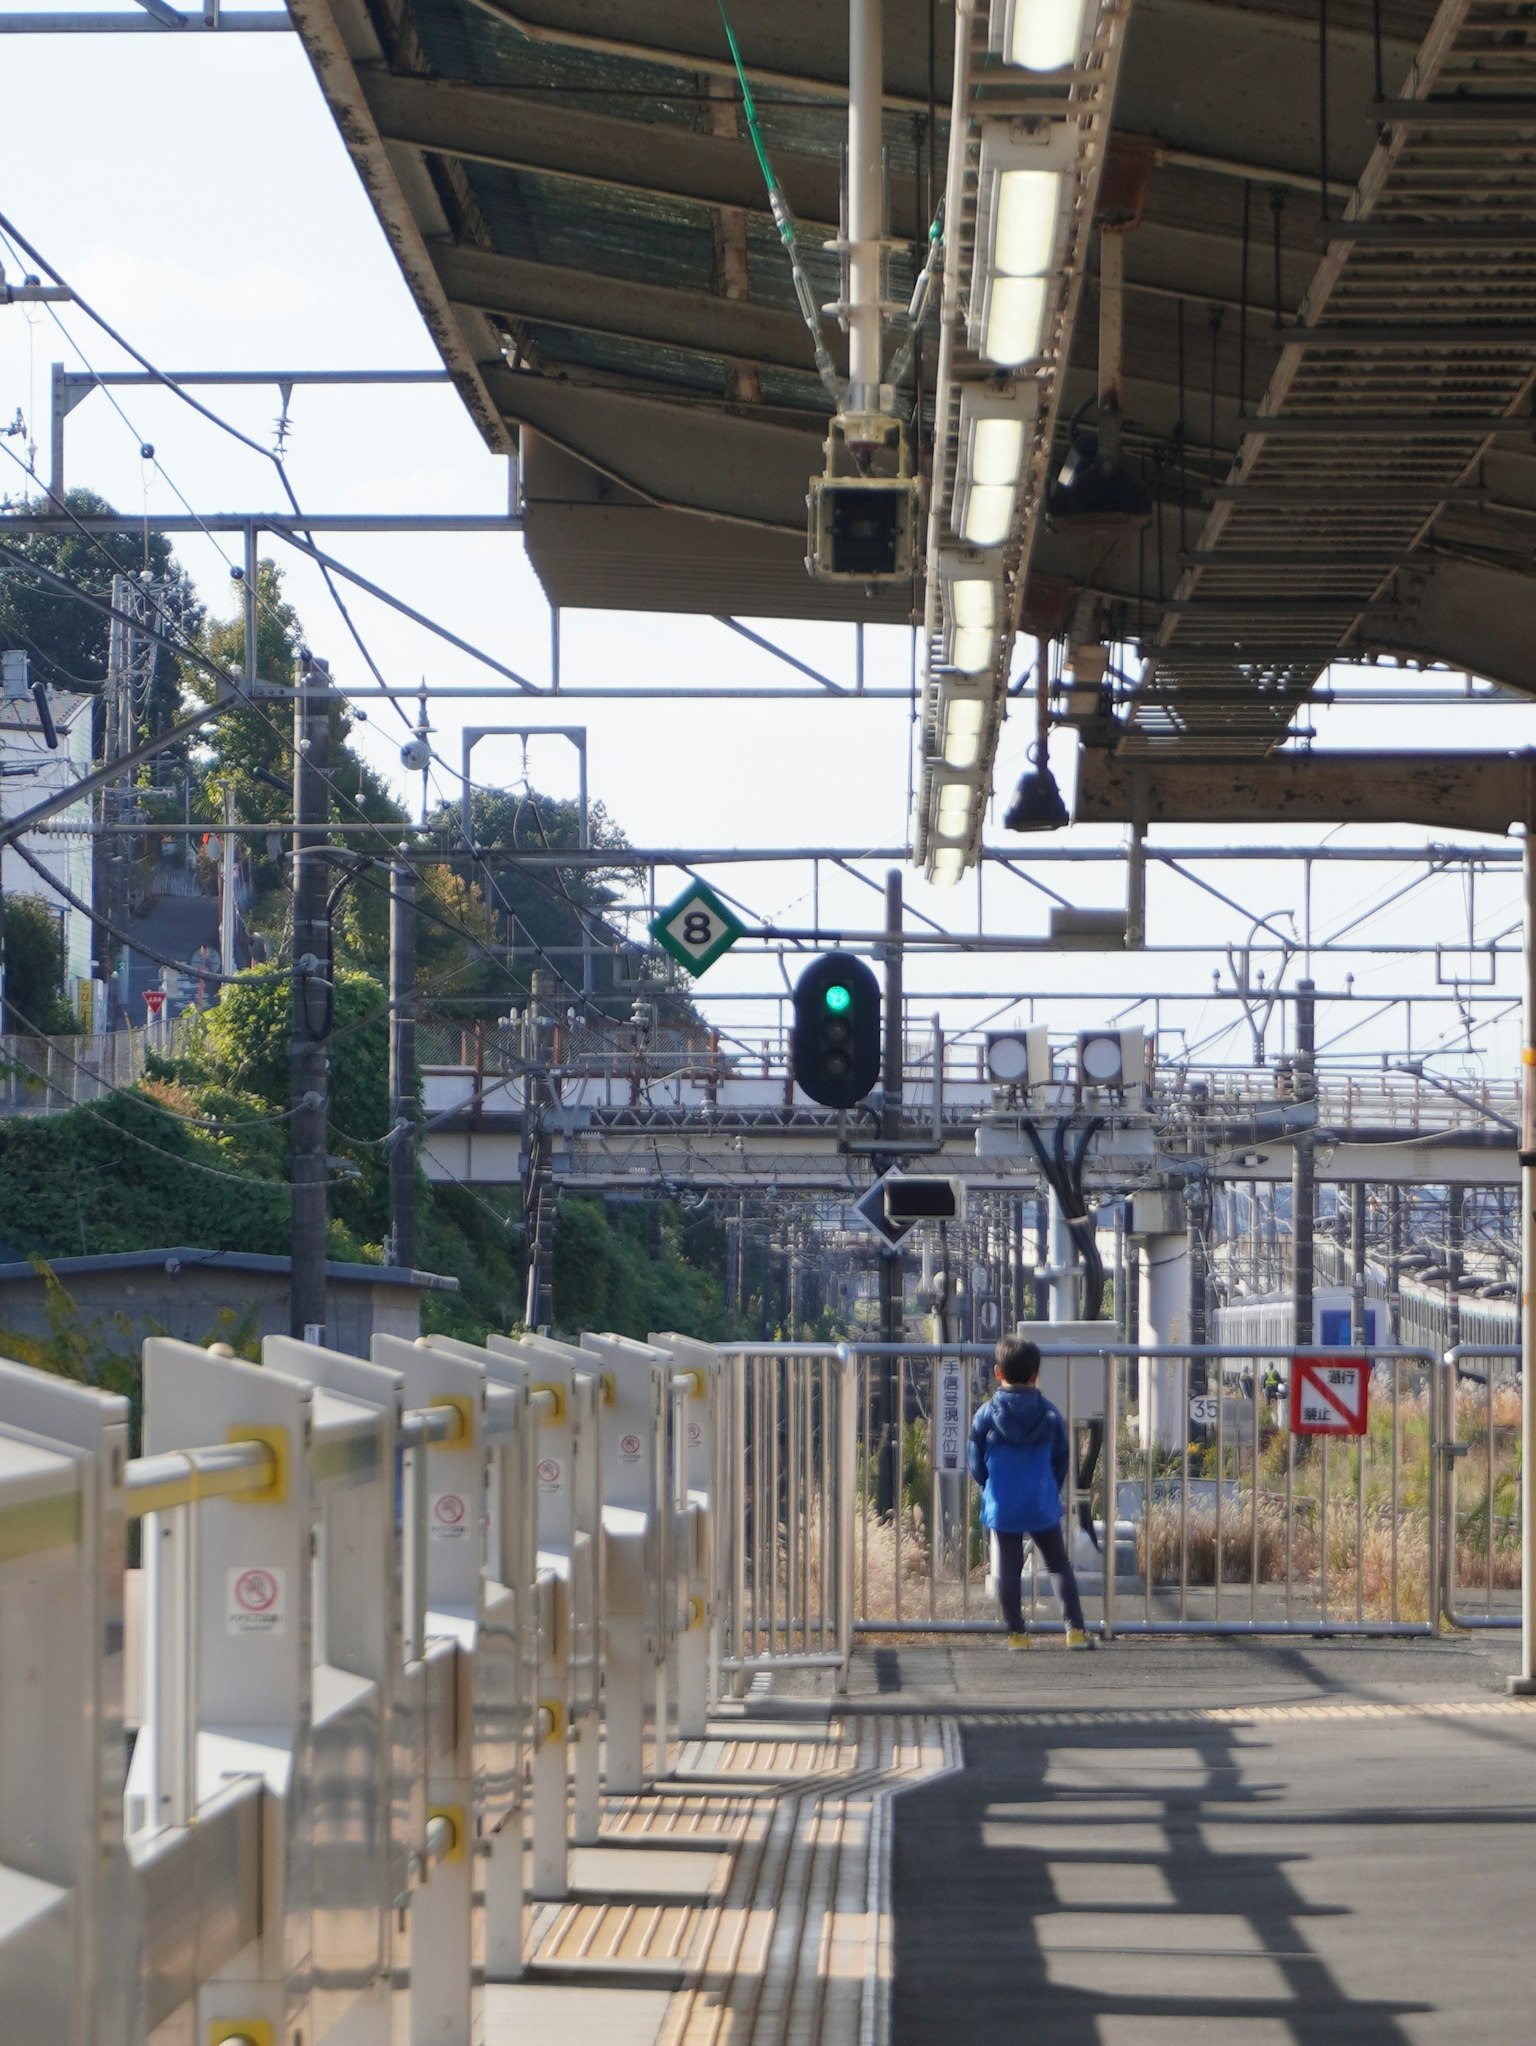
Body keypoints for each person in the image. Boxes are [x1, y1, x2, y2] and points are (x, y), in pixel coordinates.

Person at [968, 1337, 1094, 1652]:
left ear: (998, 1373)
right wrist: (1051, 1486)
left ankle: (1017, 1635)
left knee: (1008, 1568)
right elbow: (1062, 1458)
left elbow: (974, 1457)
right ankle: (1075, 1631)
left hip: (1003, 1502)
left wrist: (987, 1485)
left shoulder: (986, 1415)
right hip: (1040, 1501)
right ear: (1036, 1375)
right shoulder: (1049, 1414)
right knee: (1057, 1564)